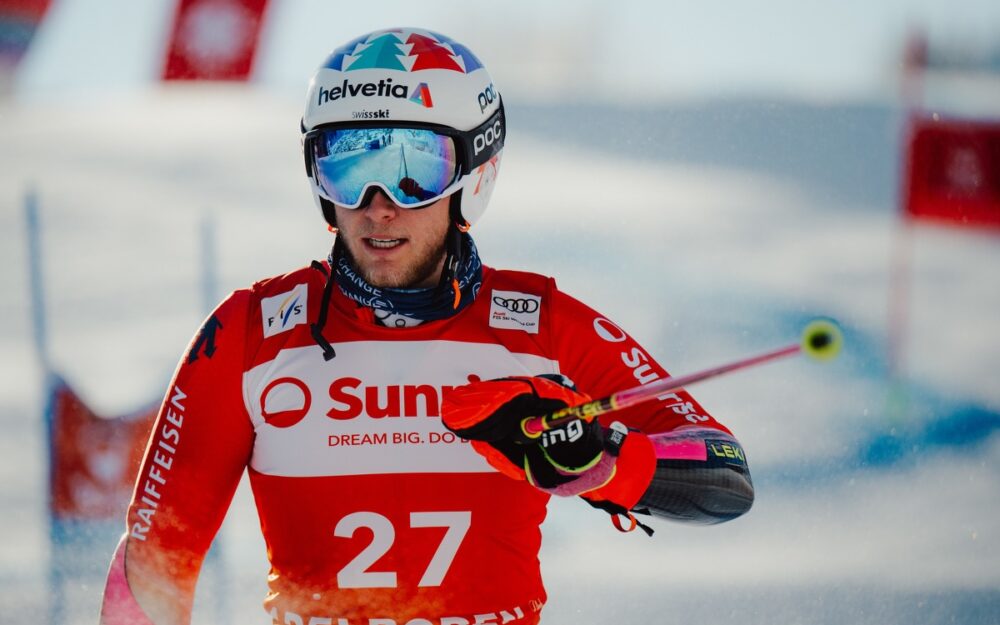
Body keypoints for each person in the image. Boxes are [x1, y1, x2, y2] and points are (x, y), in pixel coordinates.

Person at [99, 27, 754, 625]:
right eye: (348, 164)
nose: (378, 206)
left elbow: (724, 474)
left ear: (476, 172)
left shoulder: (542, 327)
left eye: (416, 170)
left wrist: (601, 458)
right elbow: (154, 563)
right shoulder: (250, 336)